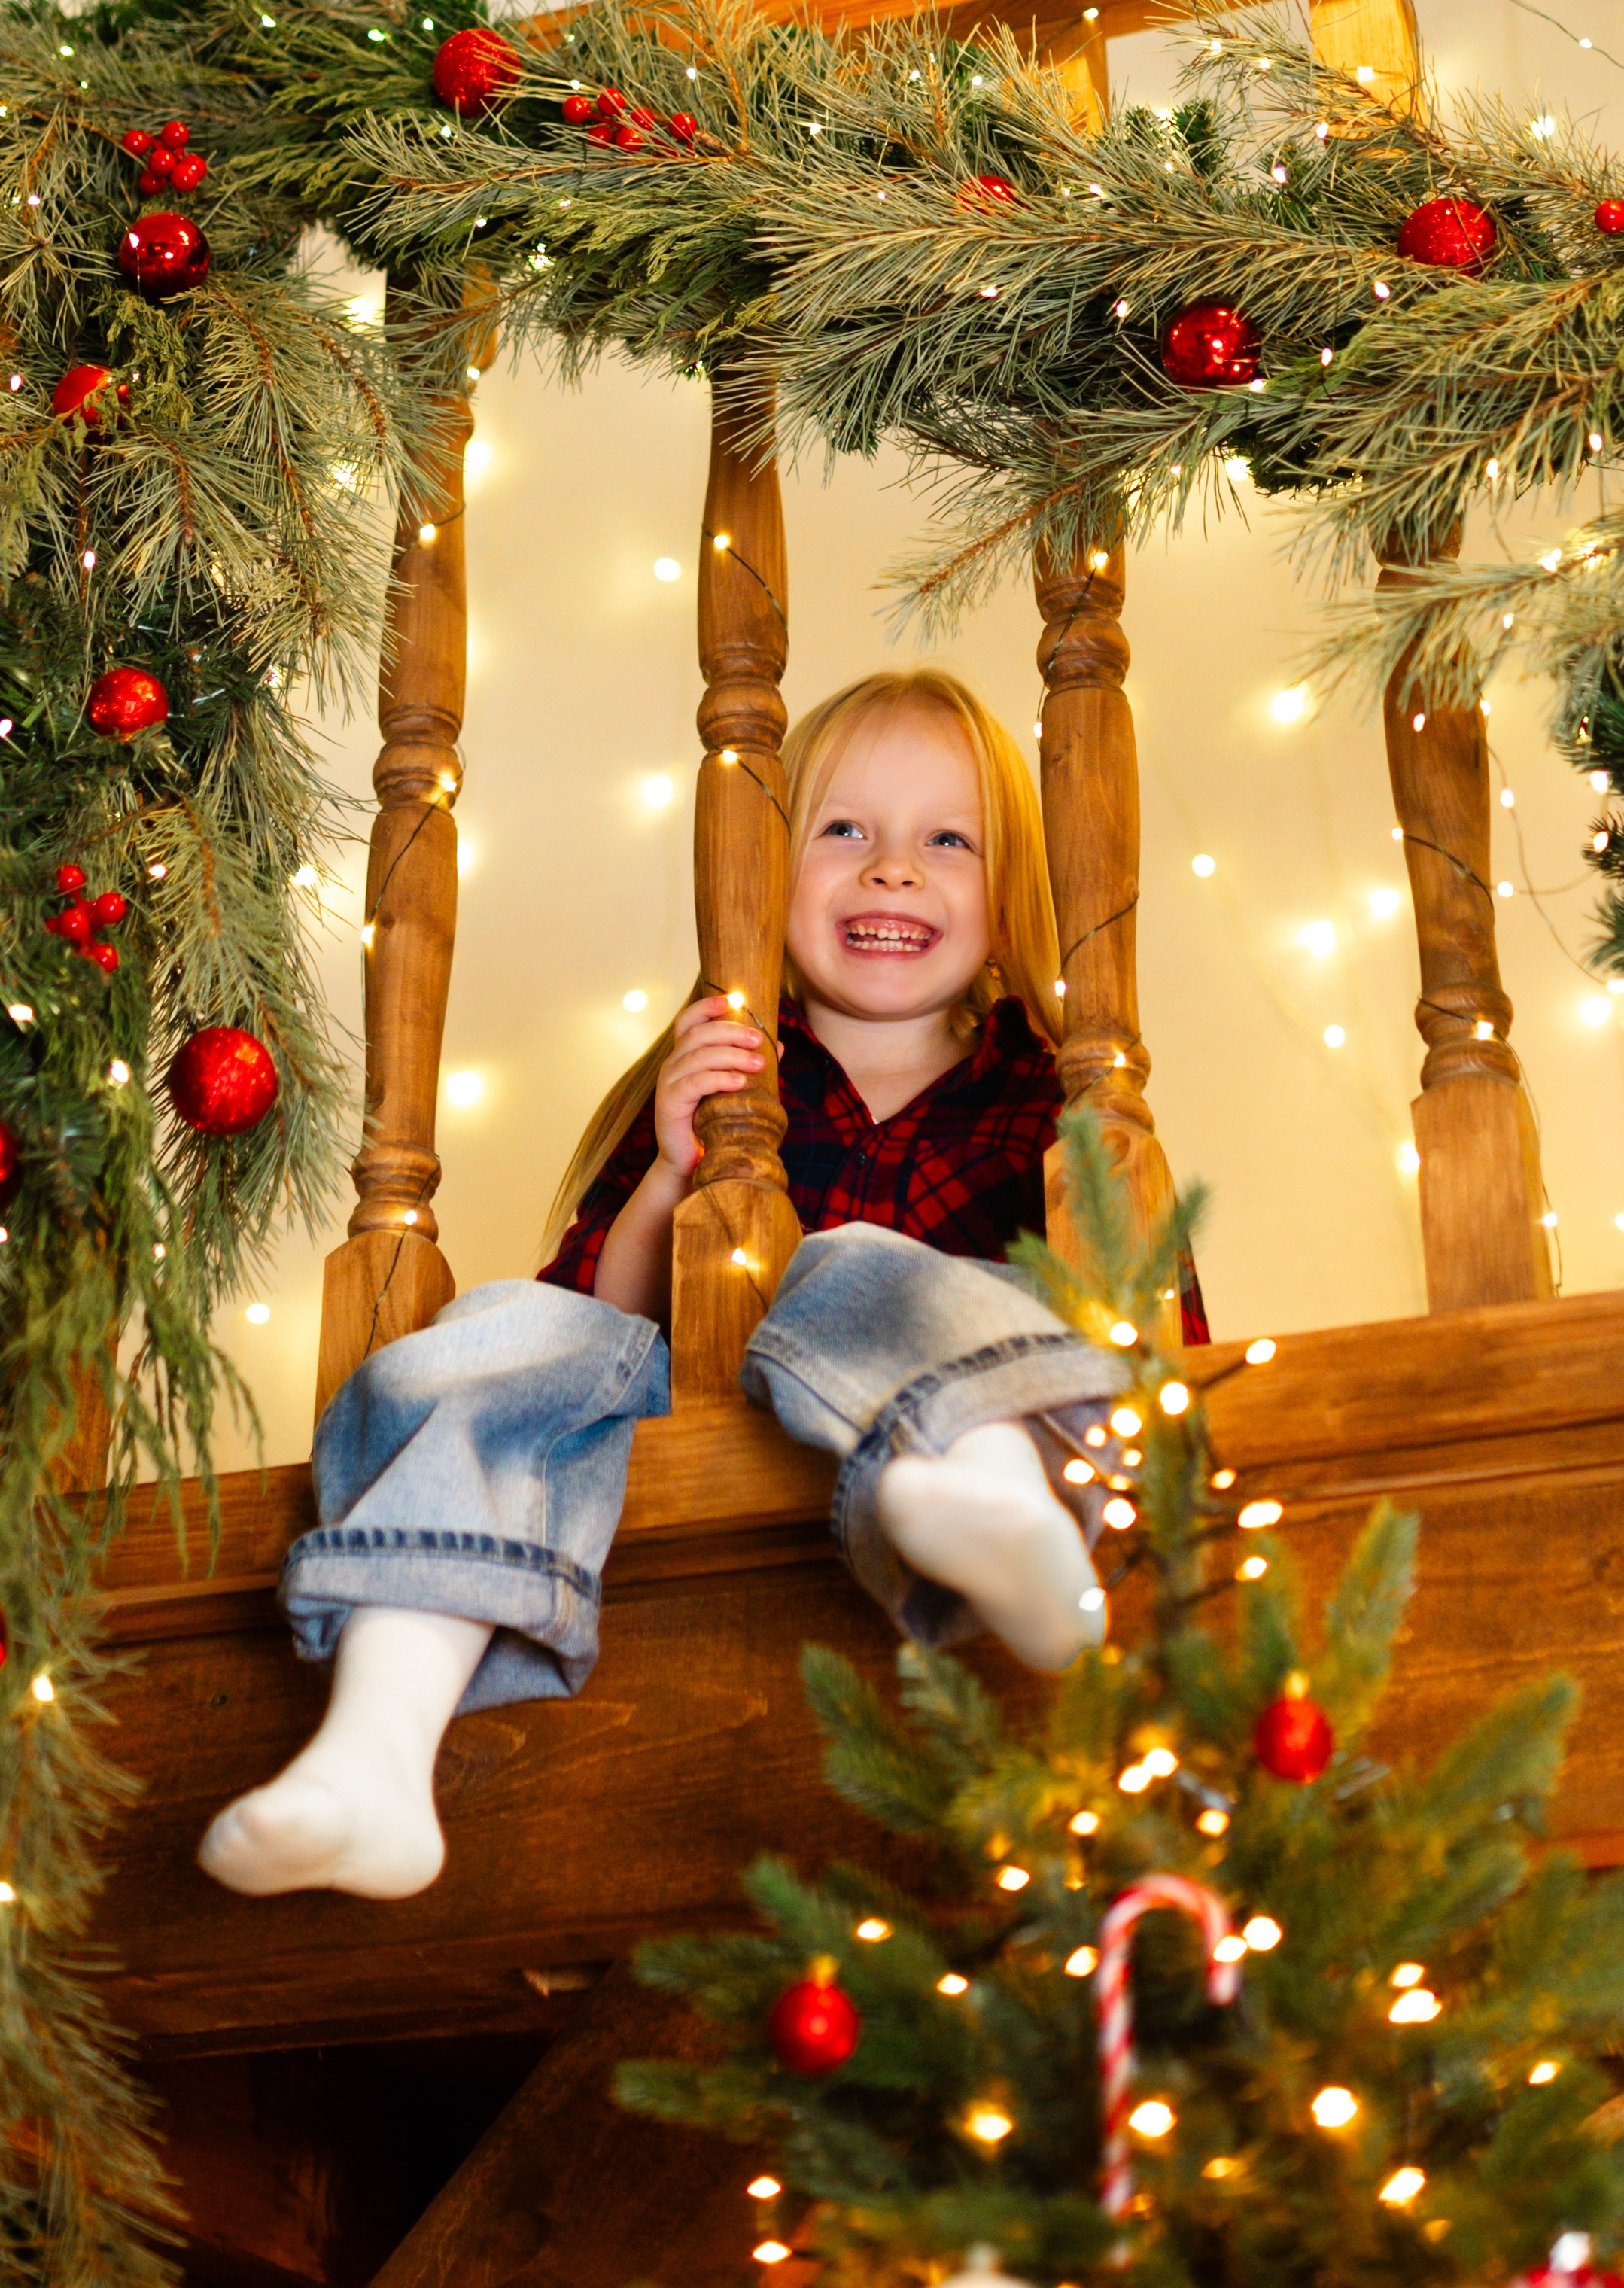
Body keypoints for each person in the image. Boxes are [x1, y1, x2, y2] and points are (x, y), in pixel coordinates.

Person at [198, 669, 1206, 1902]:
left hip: (942, 1476)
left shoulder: (1055, 1104)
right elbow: (585, 1331)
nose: (893, 870)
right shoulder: (715, 1084)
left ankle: (990, 1501)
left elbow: (1160, 1343)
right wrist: (671, 1176)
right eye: (843, 831)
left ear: (1012, 899)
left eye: (948, 839)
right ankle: (376, 1746)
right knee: (492, 1330)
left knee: (857, 1263)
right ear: (764, 874)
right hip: (695, 1465)